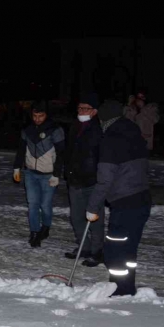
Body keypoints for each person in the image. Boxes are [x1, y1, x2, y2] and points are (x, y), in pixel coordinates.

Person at [86, 100, 151, 297]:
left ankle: (119, 290)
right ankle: (127, 287)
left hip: (124, 204)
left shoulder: (110, 140)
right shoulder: (133, 133)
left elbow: (104, 180)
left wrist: (92, 207)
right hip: (142, 200)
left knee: (114, 251)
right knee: (129, 249)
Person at [13, 101, 66, 247]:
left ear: (46, 115)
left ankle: (46, 227)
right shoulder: (27, 129)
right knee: (33, 204)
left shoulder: (55, 130)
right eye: (35, 116)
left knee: (45, 205)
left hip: (48, 174)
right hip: (30, 173)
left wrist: (56, 174)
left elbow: (61, 153)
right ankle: (34, 232)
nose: (37, 119)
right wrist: (17, 167)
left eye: (40, 116)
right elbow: (21, 149)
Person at [63, 93, 104, 264]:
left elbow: (99, 156)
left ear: (94, 111)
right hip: (75, 180)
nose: (81, 111)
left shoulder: (98, 129)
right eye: (79, 108)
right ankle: (83, 247)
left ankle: (97, 251)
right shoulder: (75, 126)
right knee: (76, 217)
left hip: (92, 181)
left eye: (85, 108)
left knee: (94, 218)